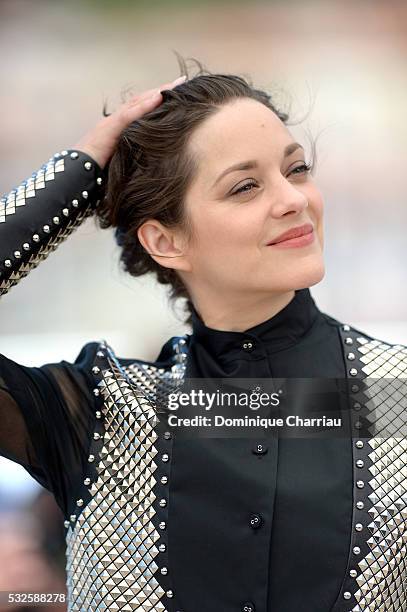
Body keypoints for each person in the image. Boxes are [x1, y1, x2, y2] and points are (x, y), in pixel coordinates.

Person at [0, 59, 405, 612]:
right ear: (165, 241)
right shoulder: (104, 414)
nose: (292, 200)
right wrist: (78, 173)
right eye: (245, 187)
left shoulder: (395, 394)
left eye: (297, 169)